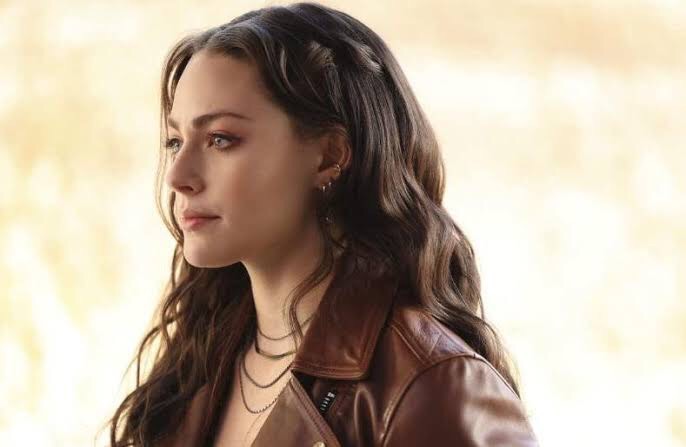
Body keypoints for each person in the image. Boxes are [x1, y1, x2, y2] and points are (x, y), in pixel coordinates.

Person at [107, 2, 540, 446]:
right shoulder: (200, 360)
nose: (178, 176)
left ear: (329, 155)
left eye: (221, 139)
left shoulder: (432, 387)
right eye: (175, 141)